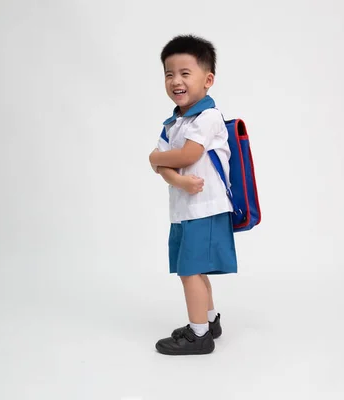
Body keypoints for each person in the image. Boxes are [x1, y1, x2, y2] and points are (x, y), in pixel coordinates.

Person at [149, 34, 237, 355]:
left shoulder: (208, 117)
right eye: (169, 74)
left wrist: (156, 159)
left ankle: (199, 334)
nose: (176, 80)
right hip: (186, 208)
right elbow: (162, 166)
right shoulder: (172, 123)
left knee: (189, 270)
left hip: (205, 208)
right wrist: (176, 177)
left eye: (185, 73)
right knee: (194, 269)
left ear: (207, 79)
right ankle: (210, 321)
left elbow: (186, 156)